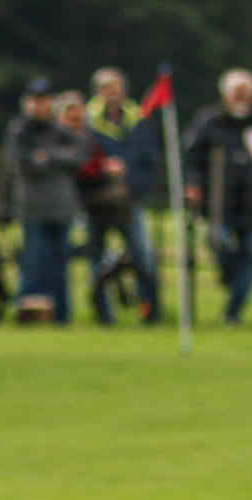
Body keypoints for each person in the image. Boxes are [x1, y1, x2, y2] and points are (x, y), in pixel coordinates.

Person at [182, 69, 252, 326]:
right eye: (237, 94)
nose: (242, 99)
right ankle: (230, 273)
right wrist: (191, 184)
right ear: (225, 95)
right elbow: (191, 158)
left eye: (247, 95)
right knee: (217, 242)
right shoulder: (208, 122)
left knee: (250, 258)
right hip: (218, 204)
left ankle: (232, 313)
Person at [3, 78, 84, 324]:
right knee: (34, 266)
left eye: (45, 100)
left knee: (60, 268)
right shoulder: (20, 131)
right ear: (27, 103)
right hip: (33, 210)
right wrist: (58, 159)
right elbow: (22, 164)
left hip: (62, 209)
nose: (40, 106)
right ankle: (28, 317)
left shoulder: (61, 131)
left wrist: (46, 158)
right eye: (35, 101)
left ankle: (61, 318)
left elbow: (78, 157)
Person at [83, 67, 161, 324]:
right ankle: (103, 314)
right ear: (98, 93)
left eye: (117, 89)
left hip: (130, 200)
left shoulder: (139, 120)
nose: (113, 94)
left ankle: (150, 310)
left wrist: (134, 184)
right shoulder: (87, 121)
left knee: (142, 256)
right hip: (95, 201)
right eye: (107, 89)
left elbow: (149, 158)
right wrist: (102, 170)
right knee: (95, 259)